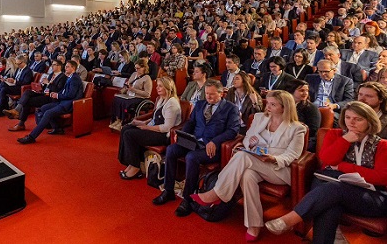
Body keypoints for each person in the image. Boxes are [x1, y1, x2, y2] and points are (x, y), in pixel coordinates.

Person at [265, 102, 387, 244]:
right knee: (329, 204)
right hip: (335, 194)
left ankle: (292, 218)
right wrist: (345, 140)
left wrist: (341, 166)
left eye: (358, 119)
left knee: (333, 189)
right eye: (348, 117)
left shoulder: (382, 145)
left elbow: (381, 178)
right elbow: (327, 160)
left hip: (372, 198)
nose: (351, 122)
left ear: (369, 121)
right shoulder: (335, 135)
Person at [192, 91, 306, 241]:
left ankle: (218, 193)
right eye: (268, 103)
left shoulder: (297, 128)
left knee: (242, 156)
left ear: (284, 108)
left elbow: (292, 155)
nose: (268, 107)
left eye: (273, 104)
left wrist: (273, 158)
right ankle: (254, 224)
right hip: (256, 161)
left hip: (279, 169)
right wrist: (250, 144)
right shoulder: (259, 118)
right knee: (247, 175)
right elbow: (246, 140)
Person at [153, 79, 240, 217]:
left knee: (191, 157)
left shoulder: (231, 108)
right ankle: (168, 190)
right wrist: (182, 134)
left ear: (221, 94)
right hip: (194, 141)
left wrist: (215, 142)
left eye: (212, 94)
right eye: (206, 94)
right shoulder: (200, 104)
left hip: (211, 147)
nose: (208, 97)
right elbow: (191, 122)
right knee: (171, 150)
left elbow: (233, 131)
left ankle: (188, 199)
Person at [117, 76, 182, 179]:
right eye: (157, 86)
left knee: (130, 135)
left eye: (160, 86)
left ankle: (135, 167)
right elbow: (155, 117)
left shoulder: (172, 103)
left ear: (168, 87)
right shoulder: (161, 99)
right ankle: (130, 162)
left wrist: (146, 127)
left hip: (164, 135)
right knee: (126, 128)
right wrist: (143, 122)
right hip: (155, 129)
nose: (157, 88)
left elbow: (167, 127)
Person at [17, 60, 84, 144]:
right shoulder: (70, 77)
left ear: (73, 68)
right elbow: (63, 91)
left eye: (67, 67)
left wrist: (57, 96)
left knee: (48, 113)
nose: (65, 68)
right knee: (43, 108)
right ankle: (57, 128)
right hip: (62, 101)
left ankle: (31, 137)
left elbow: (71, 95)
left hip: (68, 104)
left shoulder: (75, 79)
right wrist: (56, 94)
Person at [5, 60, 67, 131]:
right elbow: (46, 87)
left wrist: (48, 84)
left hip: (50, 97)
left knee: (27, 101)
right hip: (43, 92)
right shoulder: (51, 74)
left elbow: (57, 90)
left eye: (54, 65)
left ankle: (20, 122)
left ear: (59, 66)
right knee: (28, 92)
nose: (52, 66)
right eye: (52, 64)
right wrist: (40, 86)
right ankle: (17, 110)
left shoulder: (62, 77)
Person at [306, 59, 354, 123]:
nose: (323, 74)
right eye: (320, 71)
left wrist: (335, 105)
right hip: (312, 108)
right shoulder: (310, 78)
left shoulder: (345, 81)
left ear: (334, 70)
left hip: (332, 110)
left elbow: (349, 100)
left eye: (326, 71)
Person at [109, 61, 153, 130]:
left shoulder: (147, 78)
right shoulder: (134, 74)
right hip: (129, 94)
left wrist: (133, 90)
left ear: (144, 68)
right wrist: (124, 90)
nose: (136, 70)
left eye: (138, 68)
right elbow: (129, 84)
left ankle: (123, 122)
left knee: (126, 103)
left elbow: (147, 94)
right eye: (135, 68)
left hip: (139, 97)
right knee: (117, 99)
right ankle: (117, 119)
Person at [289, 80, 321, 151]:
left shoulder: (311, 108)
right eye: (302, 90)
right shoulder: (284, 105)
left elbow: (313, 130)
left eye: (307, 90)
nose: (305, 93)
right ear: (291, 91)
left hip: (304, 138)